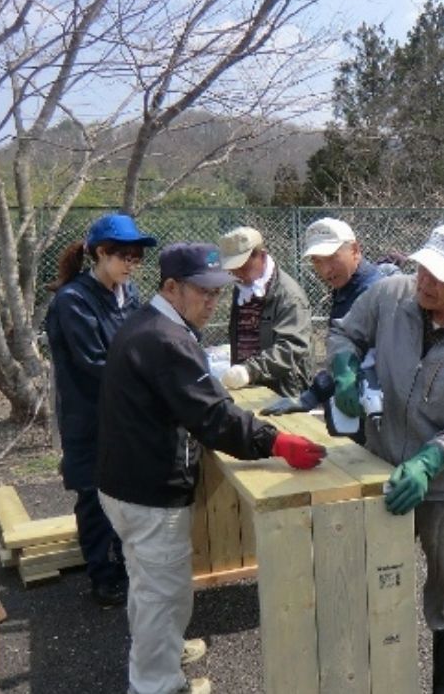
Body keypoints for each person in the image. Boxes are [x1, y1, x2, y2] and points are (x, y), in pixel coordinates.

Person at [96, 242, 326, 694]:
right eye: (203, 292)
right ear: (171, 287)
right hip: (149, 489)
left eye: (218, 292)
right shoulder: (166, 339)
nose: (213, 301)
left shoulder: (148, 322)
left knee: (149, 587)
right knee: (164, 595)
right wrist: (275, 441)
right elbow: (214, 418)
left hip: (124, 482)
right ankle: (157, 685)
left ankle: (161, 654)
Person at [327, 223, 444, 694]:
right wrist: (345, 370)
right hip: (382, 464)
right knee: (368, 578)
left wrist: (431, 461)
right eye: (424, 268)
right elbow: (344, 335)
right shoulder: (390, 296)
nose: (426, 281)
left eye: (442, 276)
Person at [44, 213, 158, 608]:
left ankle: (122, 565)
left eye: (137, 256)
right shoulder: (73, 301)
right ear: (100, 254)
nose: (131, 263)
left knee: (122, 489)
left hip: (122, 413)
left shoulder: (130, 295)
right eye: (124, 255)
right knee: (93, 495)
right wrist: (148, 380)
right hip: (88, 414)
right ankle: (102, 574)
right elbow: (94, 363)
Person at [258, 217, 386, 417]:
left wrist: (313, 395)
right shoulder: (346, 289)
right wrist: (312, 396)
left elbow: (378, 366)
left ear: (355, 250)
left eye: (332, 257)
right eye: (317, 261)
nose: (326, 270)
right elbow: (345, 367)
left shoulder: (376, 293)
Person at [215, 226, 313, 398]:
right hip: (250, 387)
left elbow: (292, 347)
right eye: (233, 268)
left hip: (284, 392)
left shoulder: (289, 295)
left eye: (242, 267)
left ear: (261, 255)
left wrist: (249, 370)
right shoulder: (243, 289)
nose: (237, 274)